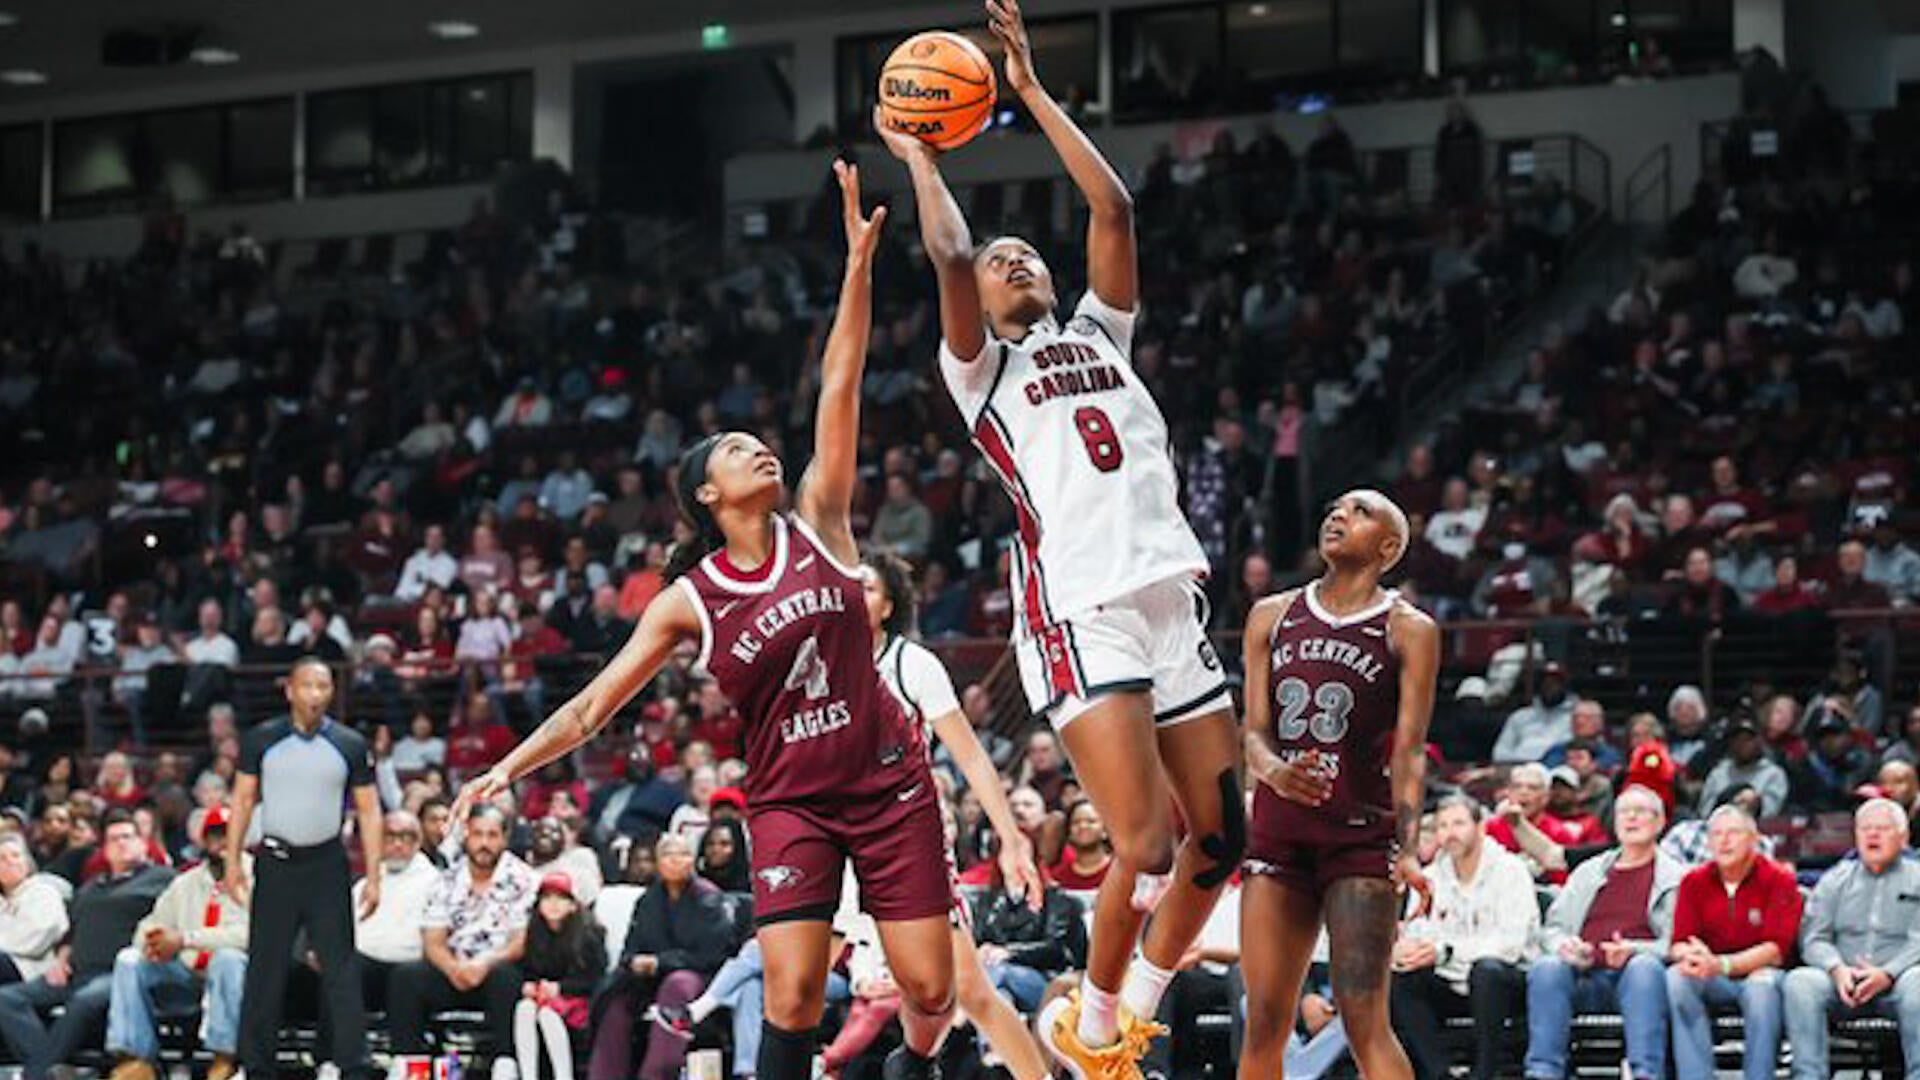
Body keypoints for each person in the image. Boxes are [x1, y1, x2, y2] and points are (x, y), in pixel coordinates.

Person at [456, 160, 955, 1080]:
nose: (759, 447)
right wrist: (505, 767)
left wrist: (856, 268)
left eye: (755, 442)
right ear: (706, 494)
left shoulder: (825, 523)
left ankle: (914, 1067)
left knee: (930, 989)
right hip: (792, 798)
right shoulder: (691, 601)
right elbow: (592, 708)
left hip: (888, 781)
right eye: (735, 449)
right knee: (793, 994)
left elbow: (838, 388)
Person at [878, 4, 1243, 1072]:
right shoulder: (980, 375)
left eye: (1027, 253)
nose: (1016, 259)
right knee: (1143, 845)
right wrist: (923, 156)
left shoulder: (1098, 331)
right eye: (1004, 262)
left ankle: (1116, 1018)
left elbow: (1115, 208)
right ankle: (1093, 1029)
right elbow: (946, 253)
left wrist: (1030, 91)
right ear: (982, 301)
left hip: (1169, 596)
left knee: (1222, 845)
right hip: (1078, 604)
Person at [1239, 491, 1439, 1080]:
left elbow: (1410, 751)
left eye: (1359, 511)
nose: (1337, 515)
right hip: (1278, 837)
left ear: (1387, 547)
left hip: (1359, 842)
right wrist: (1275, 771)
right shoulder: (1270, 615)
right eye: (1333, 507)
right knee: (1265, 1023)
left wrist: (1406, 847)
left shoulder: (1410, 629)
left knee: (1363, 1021)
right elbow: (1252, 731)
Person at [858, 547, 1052, 1079]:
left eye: (868, 588)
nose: (855, 595)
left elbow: (972, 758)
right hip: (840, 841)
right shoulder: (822, 666)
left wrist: (1011, 839)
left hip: (904, 838)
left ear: (889, 605)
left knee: (968, 989)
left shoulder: (912, 664)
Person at [226, 657, 384, 1080]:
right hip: (275, 863)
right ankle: (256, 1064)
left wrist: (374, 874)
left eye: (323, 686)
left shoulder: (350, 743)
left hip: (327, 864)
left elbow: (369, 812)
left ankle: (354, 1062)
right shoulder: (261, 739)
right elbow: (241, 802)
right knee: (265, 968)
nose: (316, 694)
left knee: (341, 969)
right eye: (308, 685)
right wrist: (231, 863)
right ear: (290, 690)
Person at [0, 810, 174, 1080]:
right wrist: (61, 960)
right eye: (113, 839)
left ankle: (35, 1074)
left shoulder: (161, 878)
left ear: (143, 843)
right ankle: (49, 1072)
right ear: (104, 849)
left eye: (128, 837)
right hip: (74, 973)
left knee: (82, 1002)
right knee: (6, 999)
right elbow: (70, 933)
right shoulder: (91, 887)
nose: (121, 843)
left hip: (121, 975)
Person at [1524, 785, 1683, 1080]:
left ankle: (1645, 1073)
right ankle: (1543, 1072)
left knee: (1644, 968)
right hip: (1584, 977)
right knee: (1547, 967)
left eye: (1640, 812)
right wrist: (1566, 947)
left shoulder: (1677, 878)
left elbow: (1678, 943)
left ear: (1660, 823)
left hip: (1641, 982)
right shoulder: (1589, 871)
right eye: (1624, 812)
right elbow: (1552, 929)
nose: (1631, 818)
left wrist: (1635, 949)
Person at [1390, 795, 1536, 1080]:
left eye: (1459, 823)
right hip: (1450, 980)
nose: (1450, 833)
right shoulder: (1428, 879)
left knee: (1487, 971)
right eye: (1442, 826)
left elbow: (1510, 945)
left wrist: (1447, 951)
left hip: (1507, 981)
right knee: (1402, 979)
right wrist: (1406, 950)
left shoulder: (1511, 870)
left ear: (1481, 827)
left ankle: (1484, 1073)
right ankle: (1439, 1074)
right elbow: (1419, 932)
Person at [104, 806, 249, 1080]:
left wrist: (184, 939)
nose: (222, 844)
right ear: (203, 842)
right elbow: (150, 924)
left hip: (240, 979)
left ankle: (224, 1057)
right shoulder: (185, 882)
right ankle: (137, 1060)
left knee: (227, 957)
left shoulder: (257, 876)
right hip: (186, 974)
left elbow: (249, 935)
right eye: (216, 836)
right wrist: (154, 943)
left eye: (229, 836)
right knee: (129, 959)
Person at [1783, 798, 1920, 1080]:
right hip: (1843, 982)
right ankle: (1808, 1076)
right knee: (1801, 982)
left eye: (1882, 828)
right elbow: (1814, 937)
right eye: (1865, 828)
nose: (1872, 835)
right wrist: (1836, 969)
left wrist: (1888, 973)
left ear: (1903, 837)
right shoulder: (1835, 879)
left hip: (1900, 981)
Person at [390, 803, 535, 1064]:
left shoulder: (523, 879)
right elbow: (433, 941)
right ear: (466, 835)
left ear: (504, 839)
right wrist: (453, 968)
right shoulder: (446, 879)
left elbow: (519, 942)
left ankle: (506, 1064)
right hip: (453, 970)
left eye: (492, 836)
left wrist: (483, 964)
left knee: (506, 978)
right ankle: (410, 1063)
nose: (484, 843)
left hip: (496, 968)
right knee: (406, 977)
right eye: (478, 834)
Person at [1666, 804, 1803, 1080]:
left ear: (1754, 839)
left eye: (1733, 833)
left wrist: (1723, 964)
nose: (1724, 841)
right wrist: (1692, 955)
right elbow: (1678, 942)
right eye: (1716, 834)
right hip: (1711, 974)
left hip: (1760, 972)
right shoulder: (1693, 881)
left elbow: (1776, 950)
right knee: (1677, 977)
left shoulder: (1779, 879)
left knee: (1761, 989)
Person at [591, 834, 731, 1080]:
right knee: (618, 998)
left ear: (693, 861)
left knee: (677, 984)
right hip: (653, 977)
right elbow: (630, 948)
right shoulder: (647, 901)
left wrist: (660, 962)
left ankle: (655, 1074)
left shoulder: (710, 898)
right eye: (668, 854)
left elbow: (711, 956)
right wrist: (634, 962)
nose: (675, 860)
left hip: (700, 978)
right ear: (657, 862)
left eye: (683, 854)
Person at [514, 872, 606, 1080]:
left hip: (579, 1001)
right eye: (547, 898)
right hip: (546, 997)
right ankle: (528, 1075)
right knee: (524, 1008)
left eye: (561, 898)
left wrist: (561, 988)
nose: (553, 904)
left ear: (573, 904)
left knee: (547, 1014)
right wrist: (529, 985)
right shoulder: (535, 933)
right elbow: (528, 969)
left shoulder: (589, 934)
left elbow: (596, 980)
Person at [350, 810, 441, 1010]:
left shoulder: (435, 883)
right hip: (364, 968)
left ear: (418, 843)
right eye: (390, 836)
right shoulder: (365, 884)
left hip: (409, 970)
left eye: (406, 837)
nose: (398, 844)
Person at [0, 834, 67, 987]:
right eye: (1, 858)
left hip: (33, 968)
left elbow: (36, 939)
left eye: (16, 856)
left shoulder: (44, 893)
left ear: (27, 861)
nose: (10, 862)